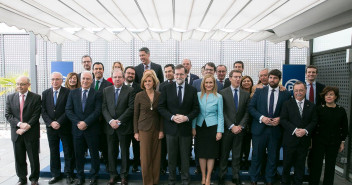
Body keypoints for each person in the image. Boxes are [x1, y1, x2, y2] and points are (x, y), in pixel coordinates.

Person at [158, 64, 200, 185]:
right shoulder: (166, 88)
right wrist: (172, 117)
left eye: (181, 74)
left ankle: (185, 179)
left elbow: (196, 109)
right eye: (177, 74)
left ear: (186, 75)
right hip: (170, 129)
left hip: (185, 129)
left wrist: (186, 118)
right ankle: (172, 179)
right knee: (171, 156)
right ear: (174, 74)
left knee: (185, 156)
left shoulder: (192, 90)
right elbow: (161, 107)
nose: (179, 76)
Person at [248, 69, 291, 185]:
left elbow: (288, 111)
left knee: (273, 156)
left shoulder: (286, 94)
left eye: (275, 78)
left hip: (275, 130)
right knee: (257, 155)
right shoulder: (259, 91)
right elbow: (251, 107)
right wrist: (262, 117)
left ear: (279, 79)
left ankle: (269, 179)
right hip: (259, 129)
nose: (272, 80)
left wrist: (280, 119)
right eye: (270, 77)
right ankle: (254, 179)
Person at [65, 71, 102, 185]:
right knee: (78, 154)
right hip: (77, 130)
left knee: (94, 154)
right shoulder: (73, 93)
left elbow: (97, 111)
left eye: (88, 79)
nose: (85, 81)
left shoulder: (97, 94)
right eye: (83, 79)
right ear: (80, 80)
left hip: (92, 129)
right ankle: (80, 176)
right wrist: (78, 123)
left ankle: (93, 176)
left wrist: (86, 122)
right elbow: (68, 110)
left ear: (91, 80)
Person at [5, 76, 41, 185]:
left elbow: (36, 115)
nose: (19, 86)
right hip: (16, 133)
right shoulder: (10, 97)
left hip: (31, 133)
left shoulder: (36, 97)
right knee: (19, 158)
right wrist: (20, 124)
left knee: (33, 158)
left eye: (22, 84)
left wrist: (26, 127)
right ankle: (21, 178)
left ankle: (34, 179)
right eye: (18, 84)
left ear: (28, 85)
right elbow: (8, 114)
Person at [309, 86, 349, 185]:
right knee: (316, 166)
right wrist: (311, 141)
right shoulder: (318, 109)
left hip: (334, 142)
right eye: (326, 95)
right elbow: (313, 126)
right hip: (319, 142)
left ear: (336, 96)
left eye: (331, 94)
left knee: (330, 166)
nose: (328, 96)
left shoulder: (341, 110)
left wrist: (342, 142)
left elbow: (344, 128)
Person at [280, 81, 317, 185]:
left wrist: (305, 130)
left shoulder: (312, 105)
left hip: (303, 141)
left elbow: (314, 121)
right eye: (296, 90)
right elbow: (283, 120)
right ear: (293, 91)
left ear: (305, 90)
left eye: (301, 90)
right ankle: (285, 182)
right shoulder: (287, 104)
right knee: (286, 165)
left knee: (300, 166)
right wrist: (295, 130)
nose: (298, 92)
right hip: (290, 141)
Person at [102, 69, 135, 185]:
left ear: (123, 78)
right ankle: (113, 175)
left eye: (119, 77)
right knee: (111, 152)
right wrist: (111, 121)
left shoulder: (130, 91)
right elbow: (104, 108)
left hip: (124, 126)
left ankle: (124, 175)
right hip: (110, 127)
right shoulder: (106, 90)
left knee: (125, 152)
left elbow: (131, 108)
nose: (117, 79)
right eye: (115, 77)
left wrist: (119, 121)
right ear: (112, 78)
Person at [42, 72, 75, 184]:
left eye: (57, 79)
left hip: (64, 127)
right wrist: (51, 123)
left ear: (62, 80)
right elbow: (43, 111)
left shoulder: (68, 92)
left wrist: (59, 122)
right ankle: (55, 174)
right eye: (53, 79)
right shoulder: (45, 93)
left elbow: (68, 109)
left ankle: (69, 174)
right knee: (54, 151)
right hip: (51, 128)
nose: (55, 81)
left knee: (68, 151)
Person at [218, 70, 250, 185]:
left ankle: (236, 175)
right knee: (224, 153)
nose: (237, 79)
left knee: (237, 154)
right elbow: (222, 112)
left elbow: (247, 112)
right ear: (230, 78)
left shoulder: (246, 94)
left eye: (239, 77)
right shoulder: (222, 93)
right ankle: (222, 175)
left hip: (240, 130)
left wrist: (240, 125)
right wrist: (231, 126)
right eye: (235, 77)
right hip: (227, 129)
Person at [192, 74, 224, 185]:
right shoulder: (197, 95)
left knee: (211, 153)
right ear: (203, 84)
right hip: (200, 127)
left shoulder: (218, 97)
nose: (208, 85)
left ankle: (208, 177)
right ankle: (203, 176)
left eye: (211, 82)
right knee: (201, 153)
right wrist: (193, 127)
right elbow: (195, 113)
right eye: (207, 82)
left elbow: (220, 115)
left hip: (212, 127)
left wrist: (219, 131)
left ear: (214, 84)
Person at [134, 72, 164, 185]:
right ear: (143, 83)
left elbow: (161, 114)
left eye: (149, 81)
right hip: (143, 129)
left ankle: (155, 181)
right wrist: (136, 131)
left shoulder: (159, 95)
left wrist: (161, 130)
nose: (147, 83)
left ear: (154, 82)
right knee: (145, 158)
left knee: (156, 157)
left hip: (156, 129)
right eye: (145, 81)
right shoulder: (139, 95)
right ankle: (147, 182)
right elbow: (135, 115)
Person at [90, 62, 113, 171]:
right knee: (93, 144)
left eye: (100, 68)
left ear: (103, 70)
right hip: (91, 120)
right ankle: (95, 165)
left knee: (106, 144)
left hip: (104, 120)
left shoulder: (109, 85)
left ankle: (108, 163)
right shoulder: (88, 83)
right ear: (93, 70)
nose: (98, 70)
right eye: (96, 69)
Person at [124, 66, 143, 173]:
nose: (130, 75)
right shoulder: (120, 86)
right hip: (124, 123)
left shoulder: (139, 87)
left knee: (136, 146)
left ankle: (136, 164)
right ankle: (125, 165)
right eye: (128, 73)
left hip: (136, 122)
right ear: (124, 74)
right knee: (125, 146)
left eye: (132, 74)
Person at [158, 64, 175, 174]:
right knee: (163, 146)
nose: (168, 73)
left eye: (170, 71)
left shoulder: (179, 83)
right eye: (166, 72)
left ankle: (175, 167)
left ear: (174, 72)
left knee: (174, 147)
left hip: (178, 119)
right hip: (165, 119)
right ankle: (162, 167)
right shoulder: (162, 85)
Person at [239, 75, 254, 170]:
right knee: (240, 143)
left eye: (248, 81)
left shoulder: (255, 93)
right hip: (241, 121)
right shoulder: (239, 93)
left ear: (252, 83)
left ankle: (246, 161)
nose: (246, 82)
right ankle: (239, 161)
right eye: (244, 81)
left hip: (252, 122)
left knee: (247, 144)